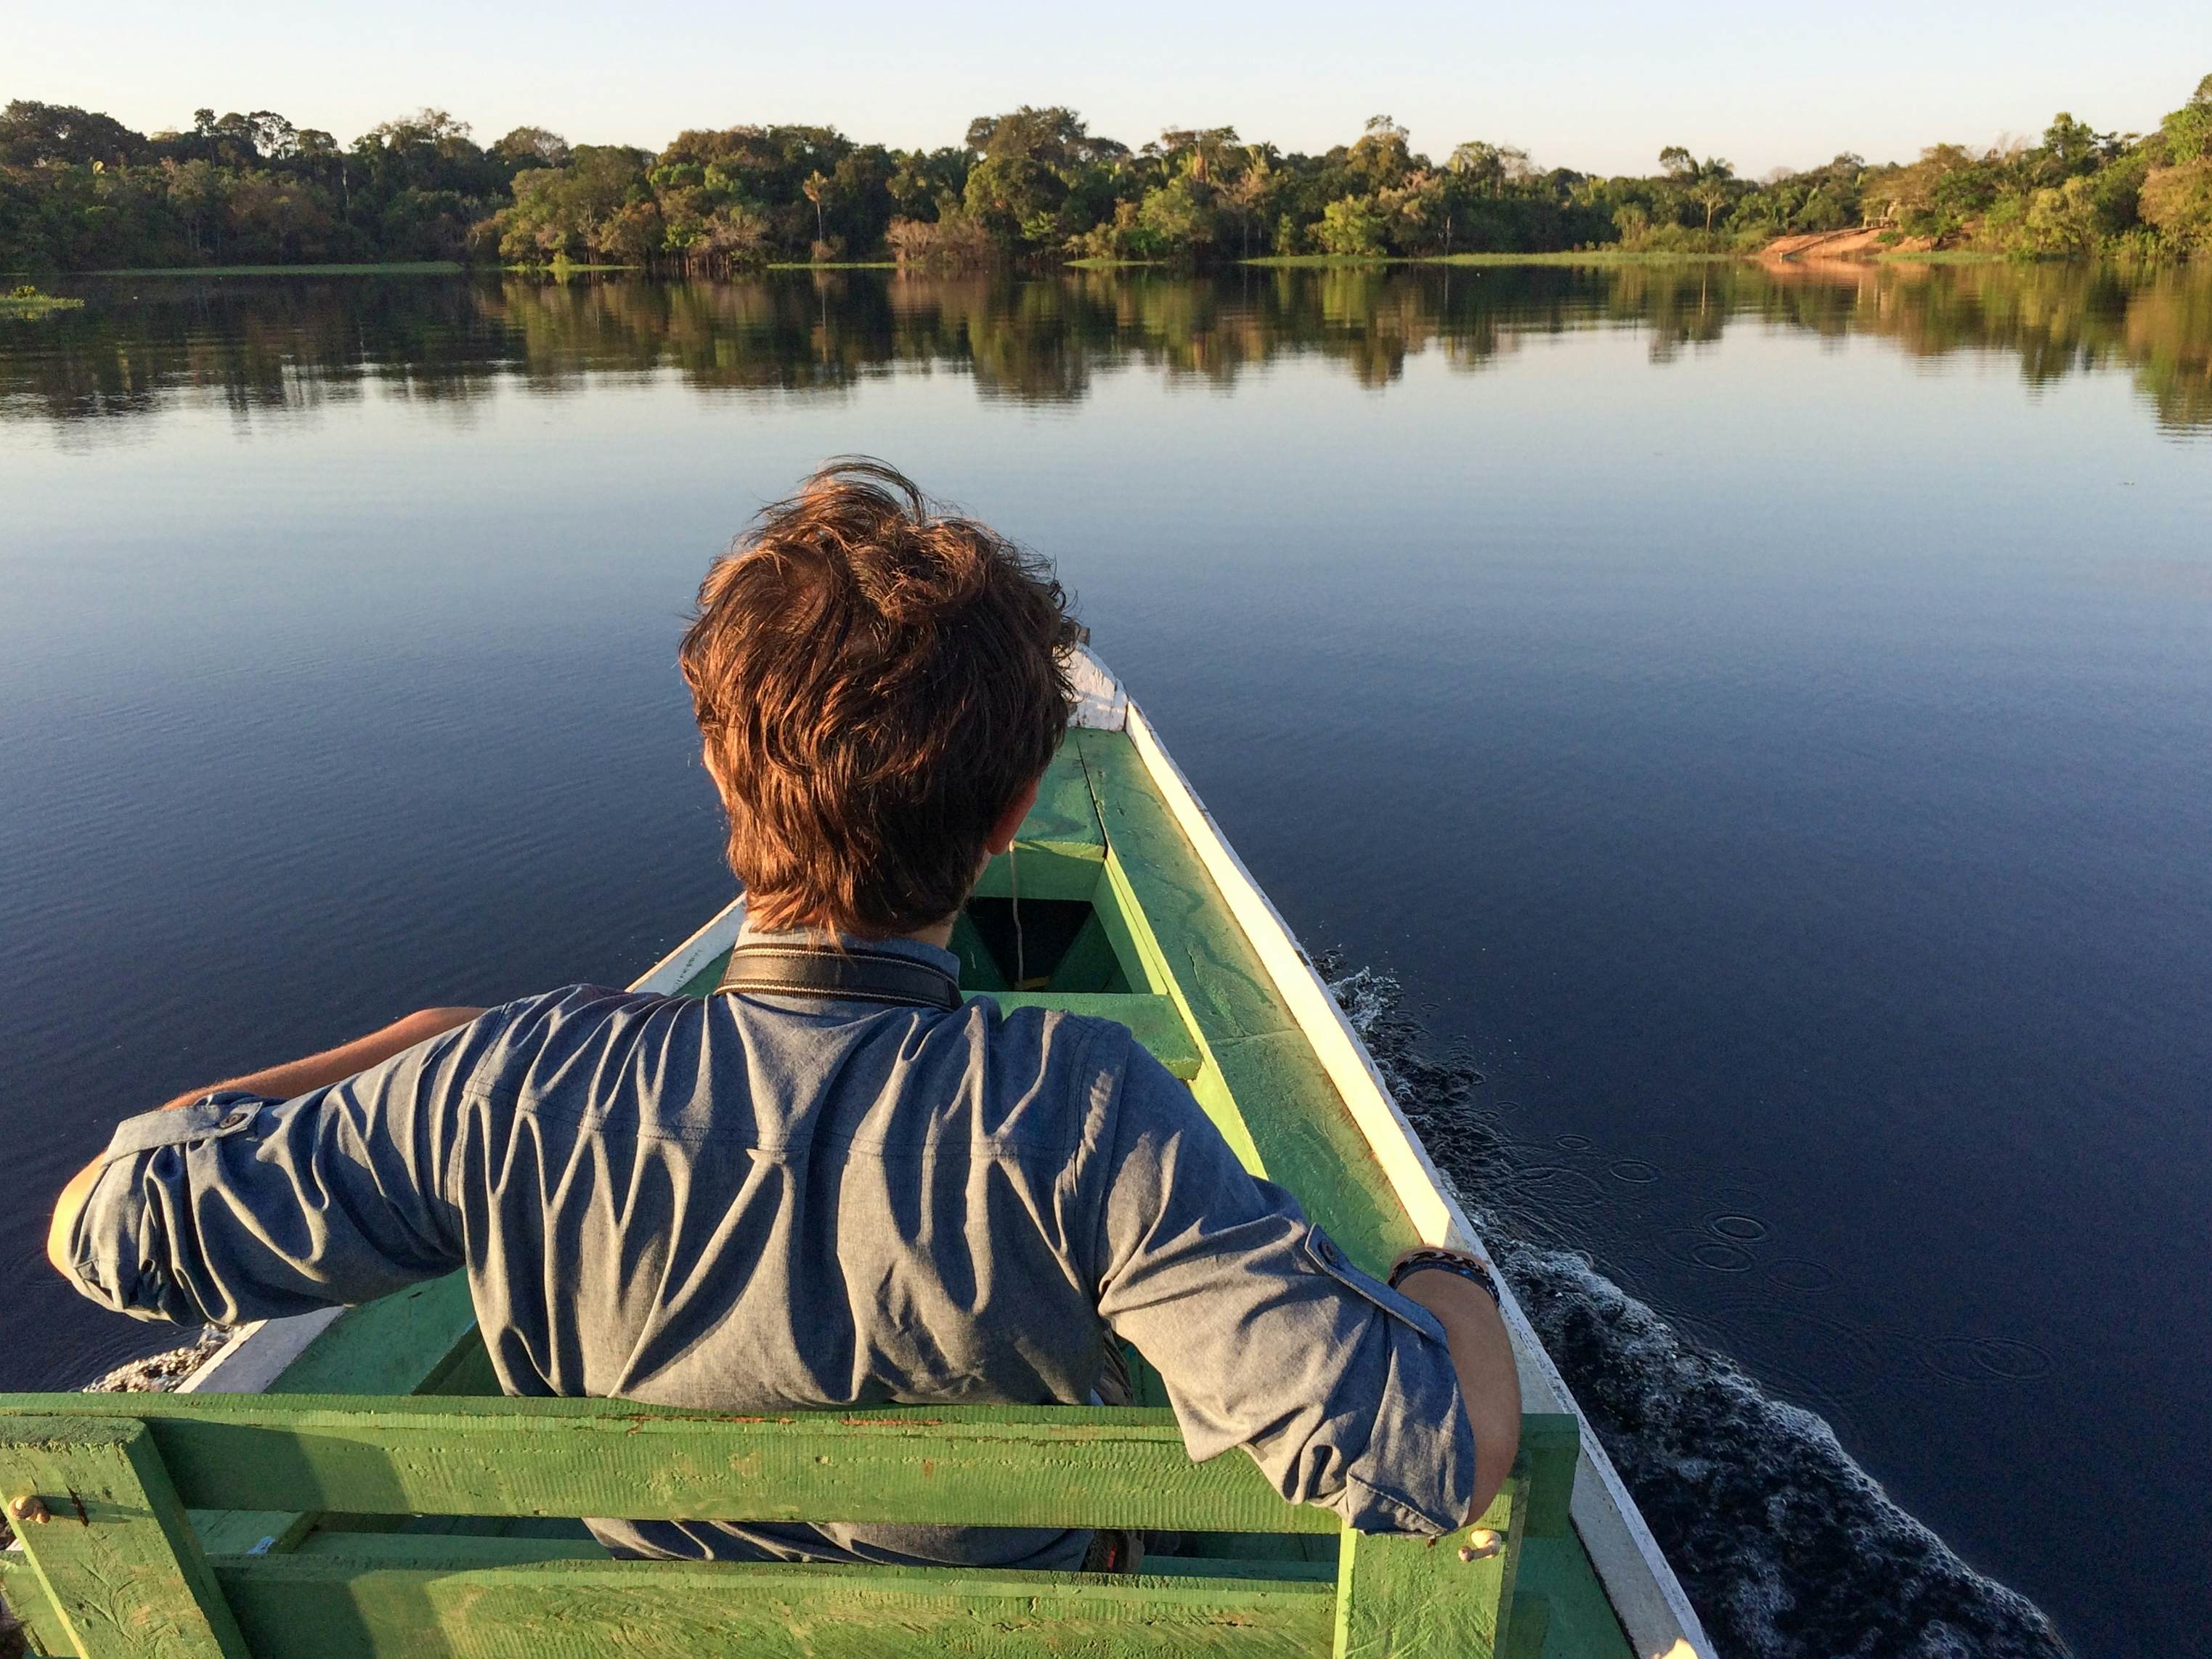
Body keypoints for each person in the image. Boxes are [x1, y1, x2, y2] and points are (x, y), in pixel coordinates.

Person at [46, 459, 1520, 1568]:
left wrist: (422, 1040)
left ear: (715, 770)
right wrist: (1440, 1272)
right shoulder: (1084, 1108)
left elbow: (108, 1222)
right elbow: (1424, 1461)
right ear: (1012, 814)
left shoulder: (497, 1083)